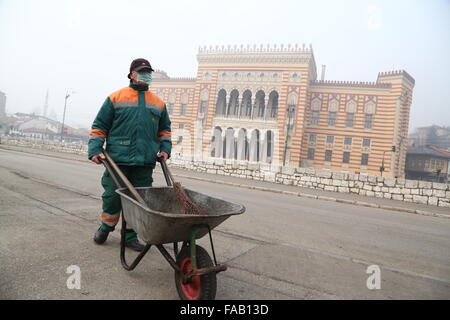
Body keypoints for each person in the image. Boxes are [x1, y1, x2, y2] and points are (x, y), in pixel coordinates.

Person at [88, 58, 171, 251]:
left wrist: (165, 149)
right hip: (117, 160)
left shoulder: (158, 103)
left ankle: (130, 236)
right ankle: (106, 226)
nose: (146, 74)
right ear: (131, 74)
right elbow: (100, 127)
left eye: (148, 71)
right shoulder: (115, 98)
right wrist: (94, 150)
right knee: (112, 196)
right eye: (142, 71)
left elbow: (165, 130)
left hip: (144, 162)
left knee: (138, 201)